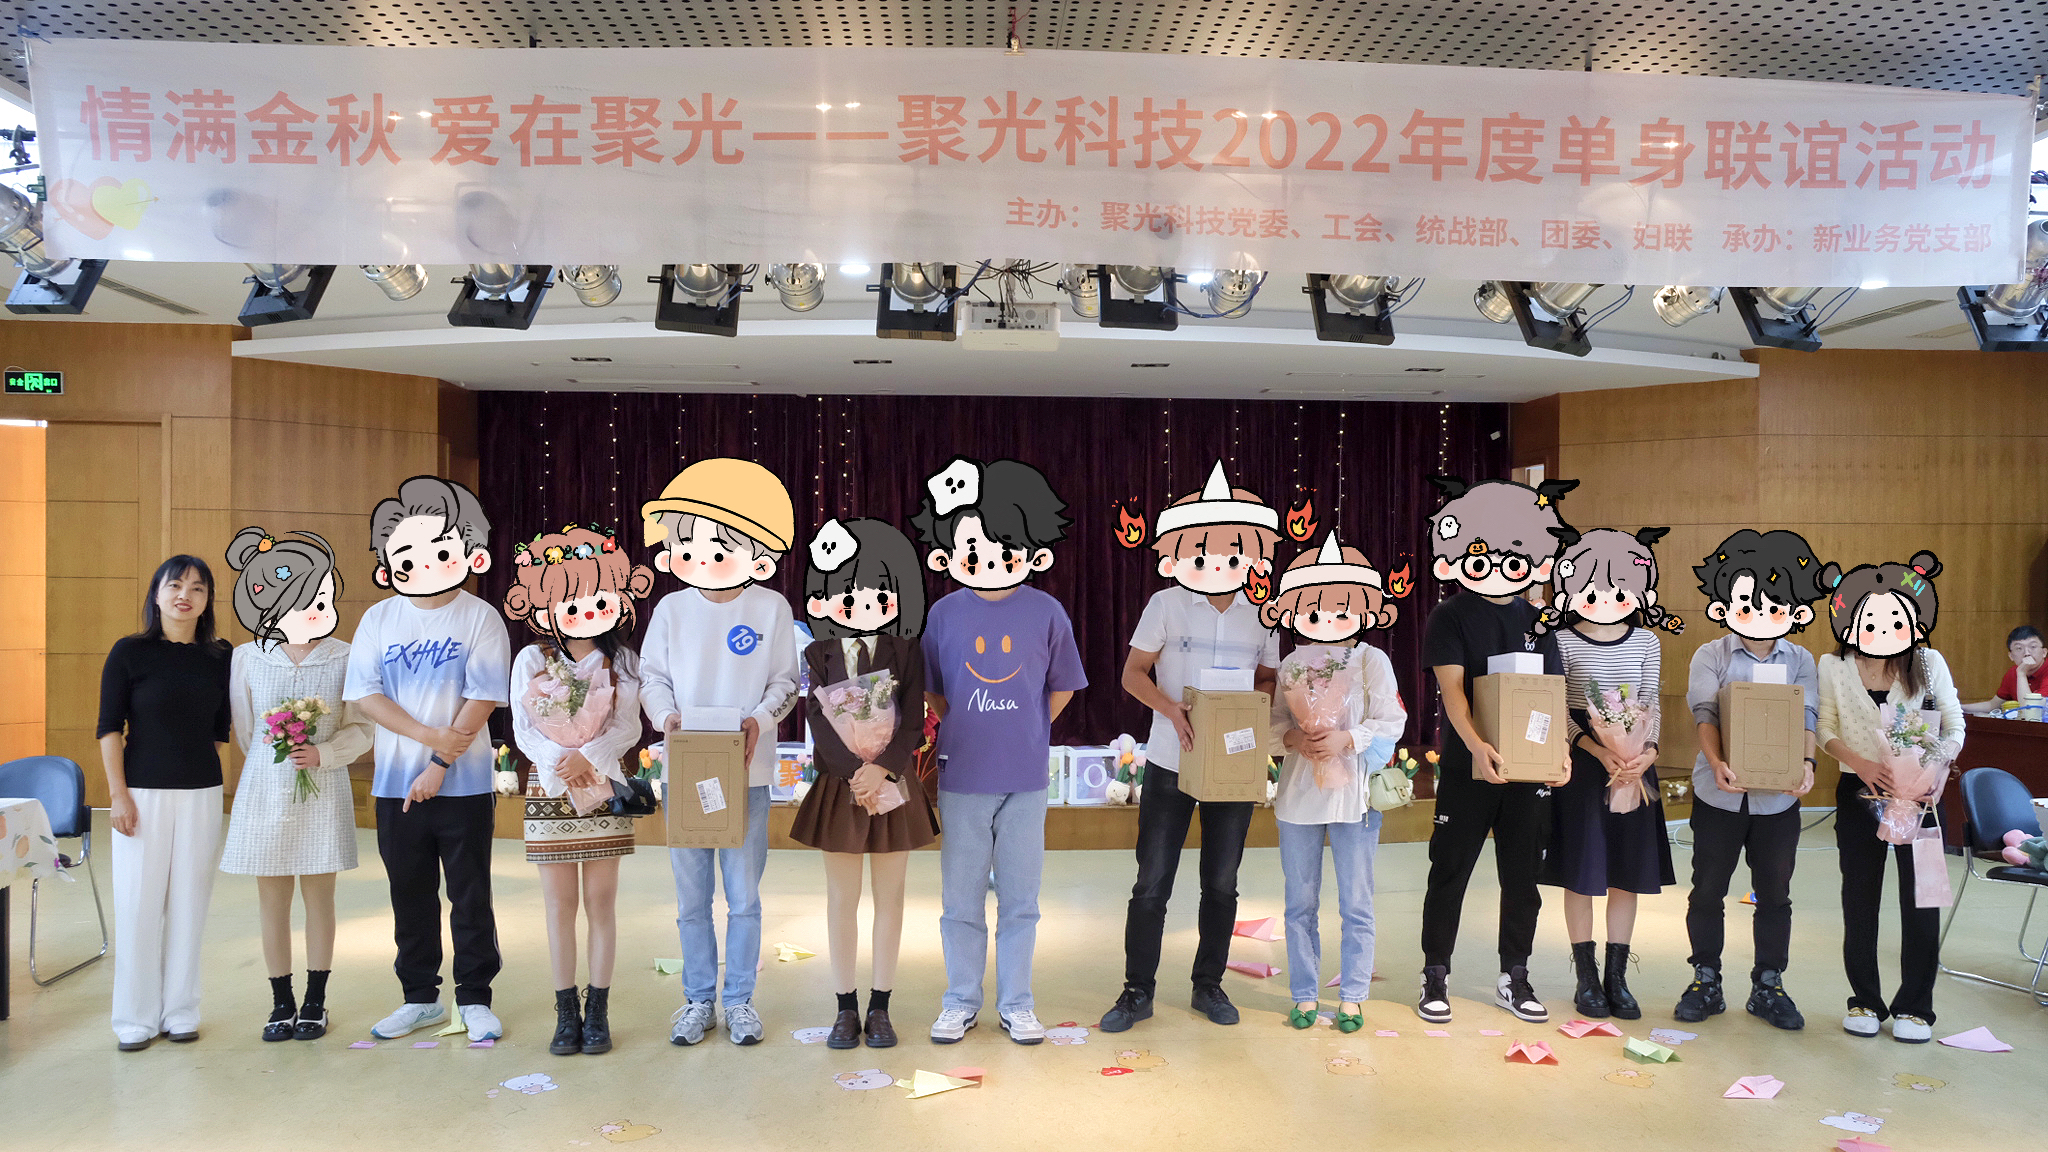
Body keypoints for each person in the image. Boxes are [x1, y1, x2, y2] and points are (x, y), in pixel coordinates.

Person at [1100, 462, 1281, 1034]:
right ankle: (1137, 991)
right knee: (1152, 881)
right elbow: (1132, 674)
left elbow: (1269, 680)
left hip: (1231, 766)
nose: (1220, 561)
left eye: (1234, 550)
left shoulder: (1264, 613)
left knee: (1221, 882)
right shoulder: (1166, 603)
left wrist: (1241, 708)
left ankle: (1209, 985)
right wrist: (1172, 709)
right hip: (1168, 760)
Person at [914, 456, 1087, 1046]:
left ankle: (1017, 1004)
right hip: (962, 777)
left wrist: (1029, 726)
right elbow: (933, 689)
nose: (989, 557)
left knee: (1021, 902)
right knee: (960, 902)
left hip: (1025, 781)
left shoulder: (1047, 611)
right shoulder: (944, 613)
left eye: (1004, 545)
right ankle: (959, 1001)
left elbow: (1062, 686)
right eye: (974, 545)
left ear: (1030, 548)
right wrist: (962, 724)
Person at [344, 476, 513, 1043]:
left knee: (469, 894)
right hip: (396, 784)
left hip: (464, 784)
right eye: (407, 552)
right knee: (409, 894)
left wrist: (439, 763)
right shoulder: (379, 619)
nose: (425, 562)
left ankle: (475, 998)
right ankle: (420, 998)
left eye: (440, 548)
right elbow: (365, 695)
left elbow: (483, 696)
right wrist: (424, 738)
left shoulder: (480, 617)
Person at [639, 458, 800, 1048]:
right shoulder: (672, 609)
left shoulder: (771, 608)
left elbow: (786, 683)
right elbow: (652, 678)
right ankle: (698, 999)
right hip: (686, 771)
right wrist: (667, 718)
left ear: (755, 547)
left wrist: (759, 720)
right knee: (691, 898)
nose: (704, 555)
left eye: (721, 542)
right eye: (690, 543)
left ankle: (739, 1002)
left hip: (747, 773)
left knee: (744, 895)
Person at [1416, 475, 1577, 1024]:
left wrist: (1560, 752)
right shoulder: (1450, 614)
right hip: (1470, 768)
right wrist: (1478, 748)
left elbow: (1550, 693)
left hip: (1528, 771)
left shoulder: (1537, 619)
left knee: (1522, 878)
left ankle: (1516, 975)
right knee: (1450, 870)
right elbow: (1453, 691)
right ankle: (1435, 973)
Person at [503, 524, 656, 1057]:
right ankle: (566, 1011)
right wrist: (558, 760)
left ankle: (599, 1012)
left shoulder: (626, 661)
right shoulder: (531, 658)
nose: (583, 609)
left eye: (596, 598)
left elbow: (629, 728)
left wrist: (586, 757)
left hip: (602, 787)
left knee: (600, 903)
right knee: (559, 905)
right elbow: (523, 728)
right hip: (550, 790)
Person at [792, 518, 940, 1050]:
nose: (861, 602)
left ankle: (880, 1007)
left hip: (893, 784)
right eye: (847, 592)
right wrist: (856, 774)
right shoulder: (817, 653)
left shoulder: (907, 650)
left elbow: (914, 718)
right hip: (842, 787)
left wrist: (884, 768)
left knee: (891, 900)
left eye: (877, 591)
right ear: (827, 598)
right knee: (841, 900)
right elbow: (816, 721)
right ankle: (844, 1008)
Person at [221, 528, 372, 1042]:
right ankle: (280, 1002)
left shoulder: (346, 655)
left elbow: (362, 726)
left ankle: (315, 1001)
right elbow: (246, 729)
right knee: (272, 901)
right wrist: (277, 759)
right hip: (265, 788)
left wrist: (323, 754)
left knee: (320, 899)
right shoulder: (247, 656)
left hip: (323, 789)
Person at [1675, 529, 1825, 1031]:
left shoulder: (1800, 659)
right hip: (1718, 794)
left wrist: (1807, 765)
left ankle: (1768, 984)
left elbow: (1806, 717)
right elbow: (1704, 713)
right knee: (1707, 890)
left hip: (1778, 801)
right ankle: (1706, 978)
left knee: (1774, 894)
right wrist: (1717, 762)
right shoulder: (1711, 654)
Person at [1261, 533, 1407, 1033]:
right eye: (1314, 609)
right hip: (1299, 797)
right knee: (1299, 903)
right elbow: (1273, 727)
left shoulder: (1371, 660)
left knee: (1356, 903)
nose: (1327, 619)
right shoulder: (1291, 664)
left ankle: (1353, 996)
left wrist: (1347, 737)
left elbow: (1392, 721)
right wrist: (1295, 738)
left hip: (1355, 798)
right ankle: (1304, 993)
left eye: (1342, 610)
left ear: (1363, 610)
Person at [1817, 550, 1964, 1044]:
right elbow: (1824, 726)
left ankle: (1915, 1009)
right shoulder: (1833, 665)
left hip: (1922, 795)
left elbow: (1954, 723)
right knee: (1860, 899)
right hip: (1860, 792)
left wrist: (1938, 768)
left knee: (1922, 901)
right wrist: (1859, 763)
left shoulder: (1928, 661)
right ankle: (1864, 1001)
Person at [1538, 529, 1680, 1022]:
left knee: (1626, 871)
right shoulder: (1560, 639)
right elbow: (1560, 708)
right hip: (1583, 768)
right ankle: (1586, 977)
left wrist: (1649, 751)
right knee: (1583, 871)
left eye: (1620, 587)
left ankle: (1617, 977)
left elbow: (1651, 703)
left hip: (1636, 766)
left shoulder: (1646, 640)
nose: (1607, 597)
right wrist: (1597, 750)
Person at [98, 556, 233, 1051]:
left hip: (201, 794)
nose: (185, 595)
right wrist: (119, 795)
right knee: (138, 904)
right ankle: (134, 1018)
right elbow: (109, 729)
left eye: (197, 588)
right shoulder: (130, 652)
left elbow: (219, 730)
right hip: (141, 795)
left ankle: (180, 1011)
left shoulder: (221, 655)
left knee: (190, 905)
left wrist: (194, 772)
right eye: (174, 585)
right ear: (156, 595)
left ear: (207, 599)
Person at [1963, 625, 2045, 714]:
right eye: (2019, 648)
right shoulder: (2013, 672)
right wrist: (1959, 708)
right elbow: (1993, 705)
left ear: (2044, 652)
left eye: (2033, 647)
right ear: (2011, 656)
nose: (2027, 653)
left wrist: (2021, 674)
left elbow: (2031, 711)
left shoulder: (2020, 671)